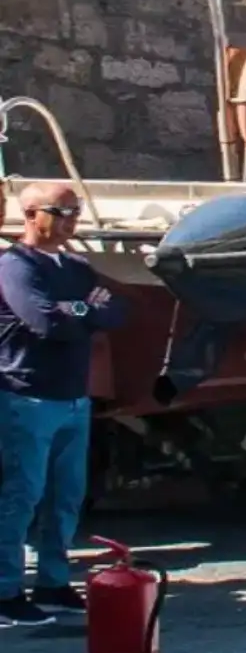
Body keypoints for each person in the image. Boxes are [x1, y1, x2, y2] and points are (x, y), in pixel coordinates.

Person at [0, 183, 125, 627]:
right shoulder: (14, 267)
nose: (73, 220)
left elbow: (115, 312)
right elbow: (44, 322)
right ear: (31, 214)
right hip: (27, 397)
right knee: (21, 497)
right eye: (62, 211)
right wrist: (83, 313)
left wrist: (77, 311)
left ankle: (52, 582)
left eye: (75, 211)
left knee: (66, 498)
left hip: (74, 398)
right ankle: (5, 589)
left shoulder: (75, 265)